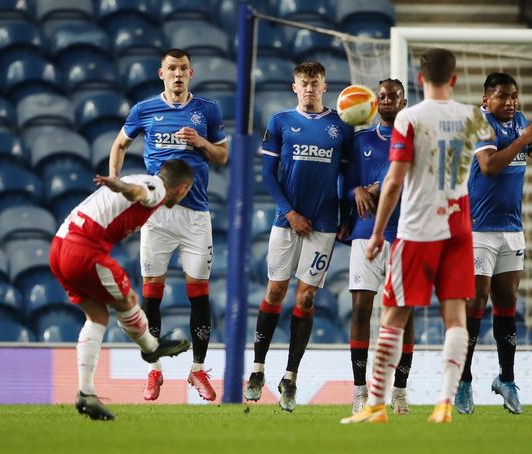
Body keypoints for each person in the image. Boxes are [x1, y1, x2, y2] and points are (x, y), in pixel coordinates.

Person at [340, 48, 496, 425]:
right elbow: (486, 154)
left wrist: (377, 232)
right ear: (454, 80)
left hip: (417, 227)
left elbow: (393, 180)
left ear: (420, 79)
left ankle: (376, 405)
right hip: (459, 226)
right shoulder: (473, 116)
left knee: (393, 314)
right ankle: (444, 403)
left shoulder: (410, 118)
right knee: (455, 316)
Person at [109, 48, 228, 402]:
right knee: (152, 293)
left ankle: (197, 370)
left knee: (199, 295)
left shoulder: (207, 110)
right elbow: (119, 144)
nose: (178, 74)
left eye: (183, 69)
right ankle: (154, 371)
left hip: (195, 215)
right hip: (156, 215)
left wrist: (202, 142)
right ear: (161, 73)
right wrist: (117, 184)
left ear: (191, 72)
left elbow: (222, 156)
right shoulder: (144, 109)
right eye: (171, 69)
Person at [243, 60, 354, 412]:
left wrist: (346, 216)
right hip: (286, 221)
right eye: (303, 83)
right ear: (294, 87)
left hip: (322, 225)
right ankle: (258, 370)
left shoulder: (340, 127)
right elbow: (268, 174)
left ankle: (290, 378)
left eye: (315, 83)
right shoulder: (280, 122)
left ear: (324, 86)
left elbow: (347, 180)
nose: (309, 88)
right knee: (275, 290)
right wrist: (290, 213)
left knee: (305, 300)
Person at [49, 159, 195, 420]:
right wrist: (121, 186)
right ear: (182, 189)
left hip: (59, 246)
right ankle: (151, 347)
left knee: (98, 316)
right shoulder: (157, 188)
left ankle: (86, 392)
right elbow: (139, 193)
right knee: (127, 299)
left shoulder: (143, 178)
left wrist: (122, 185)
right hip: (83, 248)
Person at [455, 72, 532, 415]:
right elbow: (489, 166)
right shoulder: (477, 122)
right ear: (486, 100)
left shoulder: (520, 122)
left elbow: (526, 154)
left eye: (514, 96)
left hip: (512, 228)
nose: (510, 102)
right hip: (479, 229)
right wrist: (525, 139)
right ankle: (464, 380)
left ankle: (506, 380)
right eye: (502, 96)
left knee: (507, 303)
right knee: (475, 303)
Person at [341, 79, 415, 415]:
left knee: (405, 314)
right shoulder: (360, 141)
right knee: (361, 308)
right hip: (366, 232)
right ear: (375, 102)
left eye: (393, 97)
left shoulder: (417, 140)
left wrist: (382, 184)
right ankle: (360, 391)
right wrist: (355, 190)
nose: (386, 101)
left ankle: (399, 392)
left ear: (403, 101)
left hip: (406, 234)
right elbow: (343, 183)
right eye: (381, 96)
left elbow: (418, 178)